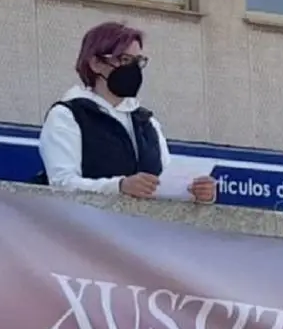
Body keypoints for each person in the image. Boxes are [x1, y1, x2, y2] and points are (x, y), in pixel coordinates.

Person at [38, 21, 215, 202]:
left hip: (141, 228)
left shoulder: (146, 122)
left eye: (137, 61)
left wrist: (193, 192)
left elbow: (163, 184)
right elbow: (61, 184)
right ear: (96, 64)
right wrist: (119, 186)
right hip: (86, 227)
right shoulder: (68, 115)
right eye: (124, 60)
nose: (133, 69)